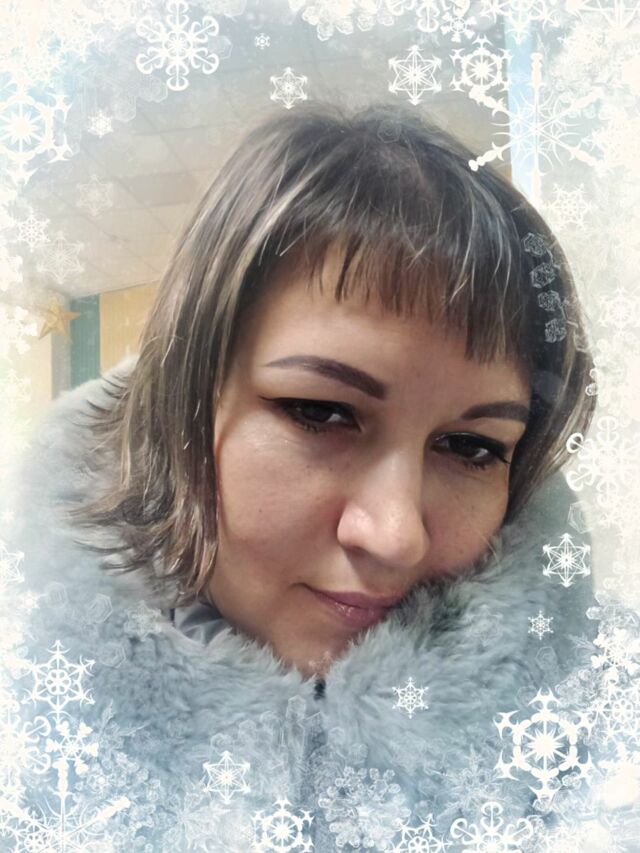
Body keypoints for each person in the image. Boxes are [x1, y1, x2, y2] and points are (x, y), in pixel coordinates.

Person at [2, 102, 601, 850]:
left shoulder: (598, 744)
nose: (396, 536)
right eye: (321, 411)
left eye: (470, 447)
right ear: (184, 406)